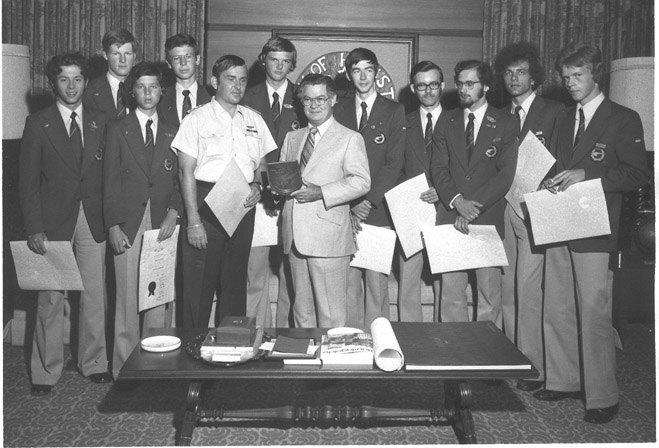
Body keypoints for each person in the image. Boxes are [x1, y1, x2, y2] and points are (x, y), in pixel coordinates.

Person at [533, 44, 648, 424]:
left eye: (578, 76)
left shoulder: (623, 118)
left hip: (596, 227)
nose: (570, 84)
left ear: (597, 75)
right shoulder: (564, 118)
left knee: (594, 310)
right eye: (565, 78)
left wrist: (588, 176)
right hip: (559, 221)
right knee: (557, 305)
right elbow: (558, 165)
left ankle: (602, 395)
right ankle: (563, 379)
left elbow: (636, 175)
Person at [19, 52, 112, 396]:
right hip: (52, 221)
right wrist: (33, 227)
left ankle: (94, 363)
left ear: (86, 82)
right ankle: (45, 371)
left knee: (93, 294)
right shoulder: (37, 123)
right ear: (52, 83)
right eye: (63, 79)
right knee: (50, 298)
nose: (71, 86)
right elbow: (27, 184)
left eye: (77, 79)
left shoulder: (101, 121)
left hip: (93, 218)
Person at [172, 55, 276, 328]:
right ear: (215, 81)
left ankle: (230, 352)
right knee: (198, 288)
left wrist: (257, 185)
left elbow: (262, 163)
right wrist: (193, 220)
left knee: (234, 284)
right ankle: (190, 358)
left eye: (243, 80)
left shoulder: (254, 119)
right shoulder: (196, 119)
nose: (238, 86)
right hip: (206, 203)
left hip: (241, 204)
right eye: (231, 79)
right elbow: (185, 172)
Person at [493, 42, 564, 392]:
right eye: (508, 72)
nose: (514, 78)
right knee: (506, 285)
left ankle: (532, 367)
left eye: (520, 72)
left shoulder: (554, 111)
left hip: (536, 208)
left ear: (533, 76)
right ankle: (510, 358)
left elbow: (564, 158)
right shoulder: (500, 114)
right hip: (504, 206)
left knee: (528, 287)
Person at [103, 62, 181, 380]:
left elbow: (180, 178)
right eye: (140, 87)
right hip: (128, 223)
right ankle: (124, 368)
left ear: (162, 90)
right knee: (126, 297)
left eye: (153, 87)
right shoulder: (117, 129)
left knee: (158, 296)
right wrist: (113, 225)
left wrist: (174, 213)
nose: (147, 93)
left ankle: (156, 366)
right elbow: (108, 181)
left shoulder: (174, 128)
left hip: (162, 221)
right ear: (131, 91)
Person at [430, 59, 518, 329]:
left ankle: (487, 367)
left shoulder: (505, 121)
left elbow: (505, 174)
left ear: (487, 86)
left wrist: (473, 208)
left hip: (487, 219)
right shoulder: (447, 119)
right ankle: (454, 361)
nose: (463, 89)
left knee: (489, 298)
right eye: (460, 84)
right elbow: (438, 167)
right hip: (451, 216)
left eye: (470, 84)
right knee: (451, 297)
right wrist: (458, 202)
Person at [279, 74, 370, 328]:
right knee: (302, 313)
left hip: (328, 237)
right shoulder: (292, 137)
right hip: (294, 236)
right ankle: (304, 364)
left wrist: (321, 192)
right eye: (307, 99)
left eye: (320, 98)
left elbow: (361, 182)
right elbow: (286, 179)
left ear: (332, 100)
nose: (314, 105)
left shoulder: (350, 138)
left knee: (331, 315)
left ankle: (332, 367)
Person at [333, 47, 405, 329]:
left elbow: (394, 163)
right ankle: (350, 345)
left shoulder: (394, 110)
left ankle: (380, 343)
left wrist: (369, 201)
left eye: (368, 69)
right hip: (345, 211)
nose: (363, 76)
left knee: (376, 285)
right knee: (348, 285)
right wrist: (350, 202)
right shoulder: (337, 109)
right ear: (349, 75)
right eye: (356, 70)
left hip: (377, 210)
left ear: (377, 72)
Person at [240, 36, 305, 328]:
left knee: (292, 273)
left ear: (293, 65)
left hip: (293, 196)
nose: (279, 66)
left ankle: (286, 336)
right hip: (256, 196)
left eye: (285, 61)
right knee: (255, 272)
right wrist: (259, 185)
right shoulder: (246, 96)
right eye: (274, 60)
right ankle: (255, 336)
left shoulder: (305, 98)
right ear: (263, 60)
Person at [397, 60, 444, 322]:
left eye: (433, 84)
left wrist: (445, 191)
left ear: (442, 86)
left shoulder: (458, 119)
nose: (428, 90)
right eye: (421, 85)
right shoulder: (403, 123)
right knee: (409, 280)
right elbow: (395, 165)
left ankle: (444, 341)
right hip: (411, 209)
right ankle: (410, 341)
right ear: (413, 89)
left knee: (445, 281)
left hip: (447, 207)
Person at [158, 33, 212, 126]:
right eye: (176, 58)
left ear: (197, 59)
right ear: (169, 64)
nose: (183, 63)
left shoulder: (212, 99)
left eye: (188, 56)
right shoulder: (160, 100)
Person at [83, 29, 137, 118]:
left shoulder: (143, 88)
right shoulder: (90, 91)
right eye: (116, 54)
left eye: (127, 53)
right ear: (105, 55)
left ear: (134, 56)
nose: (122, 60)